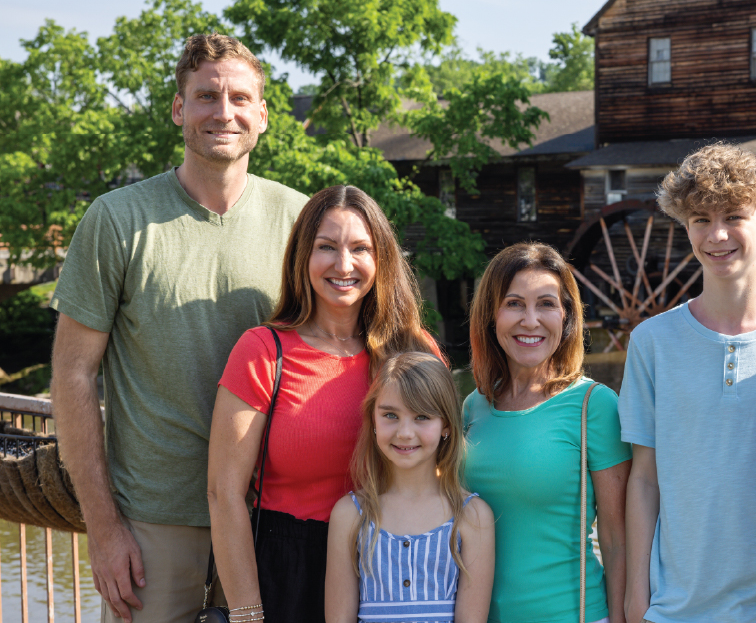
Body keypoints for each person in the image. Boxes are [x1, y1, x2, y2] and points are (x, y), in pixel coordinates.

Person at [48, 33, 308, 623]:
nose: (224, 112)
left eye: (241, 98)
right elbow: (73, 374)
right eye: (206, 96)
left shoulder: (301, 220)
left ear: (263, 115)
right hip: (155, 524)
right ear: (178, 109)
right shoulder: (116, 220)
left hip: (275, 514)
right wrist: (104, 527)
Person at [208, 185, 443, 623]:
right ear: (303, 256)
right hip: (289, 574)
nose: (343, 264)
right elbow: (224, 495)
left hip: (396, 565)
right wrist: (247, 613)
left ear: (382, 259)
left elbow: (445, 464)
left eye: (360, 248)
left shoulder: (414, 350)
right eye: (326, 247)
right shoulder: (262, 352)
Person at [620, 143, 756, 623]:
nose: (717, 235)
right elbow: (645, 481)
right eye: (700, 219)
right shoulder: (651, 342)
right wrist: (637, 599)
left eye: (734, 216)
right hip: (672, 609)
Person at [463, 242, 631, 623]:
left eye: (546, 304)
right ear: (491, 315)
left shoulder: (595, 405)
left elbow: (618, 540)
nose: (530, 320)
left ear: (566, 316)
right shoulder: (473, 405)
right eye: (514, 303)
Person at [326, 352, 495, 623]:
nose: (405, 432)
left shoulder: (472, 516)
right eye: (391, 415)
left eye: (422, 417)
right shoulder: (350, 515)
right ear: (373, 421)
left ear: (447, 426)